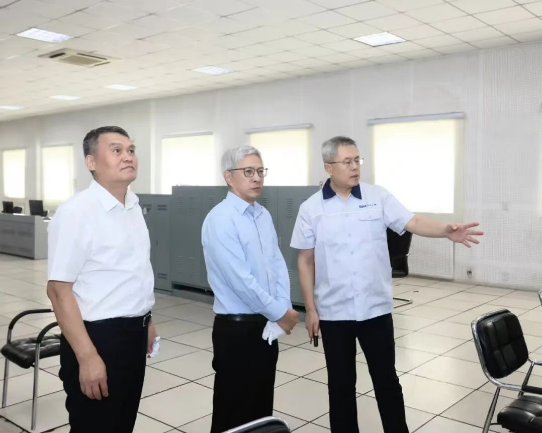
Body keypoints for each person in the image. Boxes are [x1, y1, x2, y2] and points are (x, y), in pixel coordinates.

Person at [290, 136, 483, 433]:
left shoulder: (377, 196)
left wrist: (445, 230)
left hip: (375, 309)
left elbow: (412, 221)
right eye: (347, 162)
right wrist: (311, 309)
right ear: (329, 167)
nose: (355, 167)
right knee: (340, 385)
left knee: (386, 381)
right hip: (334, 312)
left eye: (357, 160)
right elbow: (305, 261)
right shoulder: (311, 208)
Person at [47, 126, 158, 433]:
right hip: (97, 338)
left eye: (131, 150)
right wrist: (87, 357)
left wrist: (146, 321)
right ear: (91, 162)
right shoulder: (76, 213)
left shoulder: (132, 207)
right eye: (116, 150)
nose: (128, 157)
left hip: (134, 335)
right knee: (95, 425)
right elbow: (58, 291)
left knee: (122, 423)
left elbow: (133, 272)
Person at [202, 146, 299, 433]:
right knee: (233, 413)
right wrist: (280, 312)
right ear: (228, 177)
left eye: (260, 171)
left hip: (266, 327)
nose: (257, 178)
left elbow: (276, 264)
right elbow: (240, 281)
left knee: (260, 410)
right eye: (248, 171)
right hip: (236, 330)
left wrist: (283, 307)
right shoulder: (220, 219)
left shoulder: (262, 215)